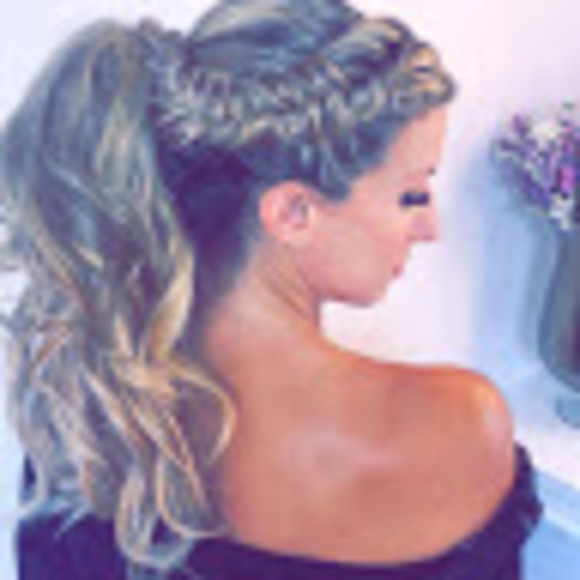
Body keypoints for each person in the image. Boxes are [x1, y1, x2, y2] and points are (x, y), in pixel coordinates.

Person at [0, 0, 543, 578]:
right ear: (293, 213)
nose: (430, 228)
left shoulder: (88, 414)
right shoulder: (456, 426)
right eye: (410, 194)